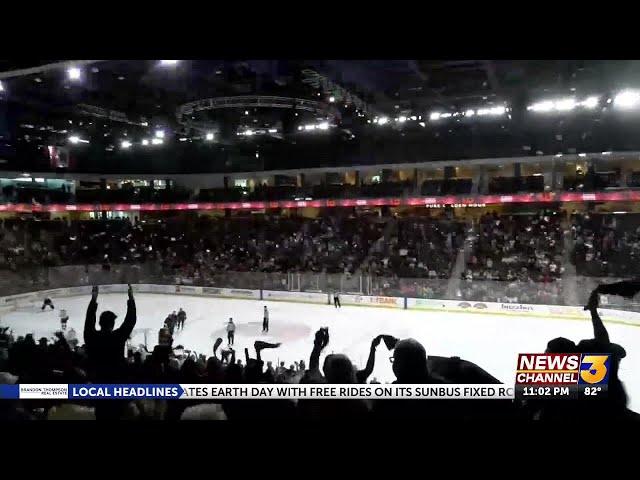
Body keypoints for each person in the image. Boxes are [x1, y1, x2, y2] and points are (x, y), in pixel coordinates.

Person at [83, 284, 137, 381]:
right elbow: (131, 320)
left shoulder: (91, 337)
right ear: (112, 324)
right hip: (115, 379)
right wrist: (131, 298)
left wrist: (93, 299)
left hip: (96, 380)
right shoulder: (117, 337)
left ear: (99, 323)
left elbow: (89, 321)